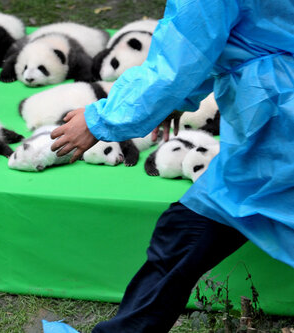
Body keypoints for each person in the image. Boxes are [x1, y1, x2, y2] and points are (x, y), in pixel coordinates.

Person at [50, 0, 294, 331]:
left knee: (187, 233)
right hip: (274, 120)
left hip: (278, 125)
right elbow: (227, 37)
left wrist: (99, 119)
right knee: (187, 232)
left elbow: (180, 57)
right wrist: (176, 99)